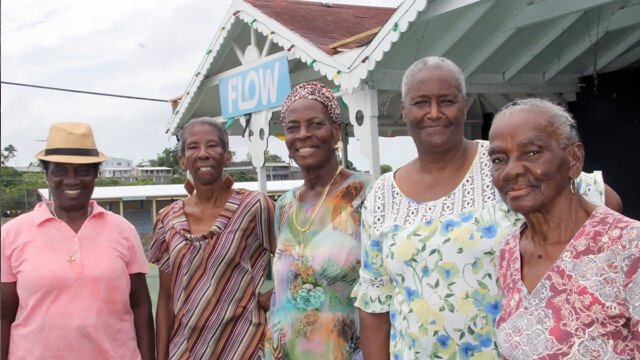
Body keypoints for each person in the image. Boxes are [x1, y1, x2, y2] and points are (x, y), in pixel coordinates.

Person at [351, 57, 622, 359]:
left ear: (464, 106)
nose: (435, 113)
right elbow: (375, 305)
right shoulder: (382, 195)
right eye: (421, 102)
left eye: (447, 101)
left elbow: (606, 201)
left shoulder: (505, 162)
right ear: (404, 110)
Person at [489, 99, 639, 358]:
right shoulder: (509, 253)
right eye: (499, 159)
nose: (511, 171)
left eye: (532, 152)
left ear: (574, 158)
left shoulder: (629, 246)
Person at [0, 122, 154, 360]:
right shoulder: (12, 233)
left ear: (95, 175)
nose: (71, 180)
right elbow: (3, 315)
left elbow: (141, 306)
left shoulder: (123, 230)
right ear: (47, 175)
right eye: (60, 171)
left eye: (82, 171)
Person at [263, 81, 373, 359]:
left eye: (315, 124)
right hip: (283, 351)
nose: (303, 135)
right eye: (292, 127)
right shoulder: (285, 205)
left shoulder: (366, 193)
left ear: (335, 132)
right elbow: (284, 289)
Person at [149, 117, 275, 360]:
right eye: (193, 147)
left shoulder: (254, 207)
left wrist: (273, 297)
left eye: (213, 145)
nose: (203, 154)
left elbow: (293, 260)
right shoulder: (168, 219)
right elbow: (165, 300)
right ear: (182, 160)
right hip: (184, 352)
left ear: (227, 156)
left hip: (244, 348)